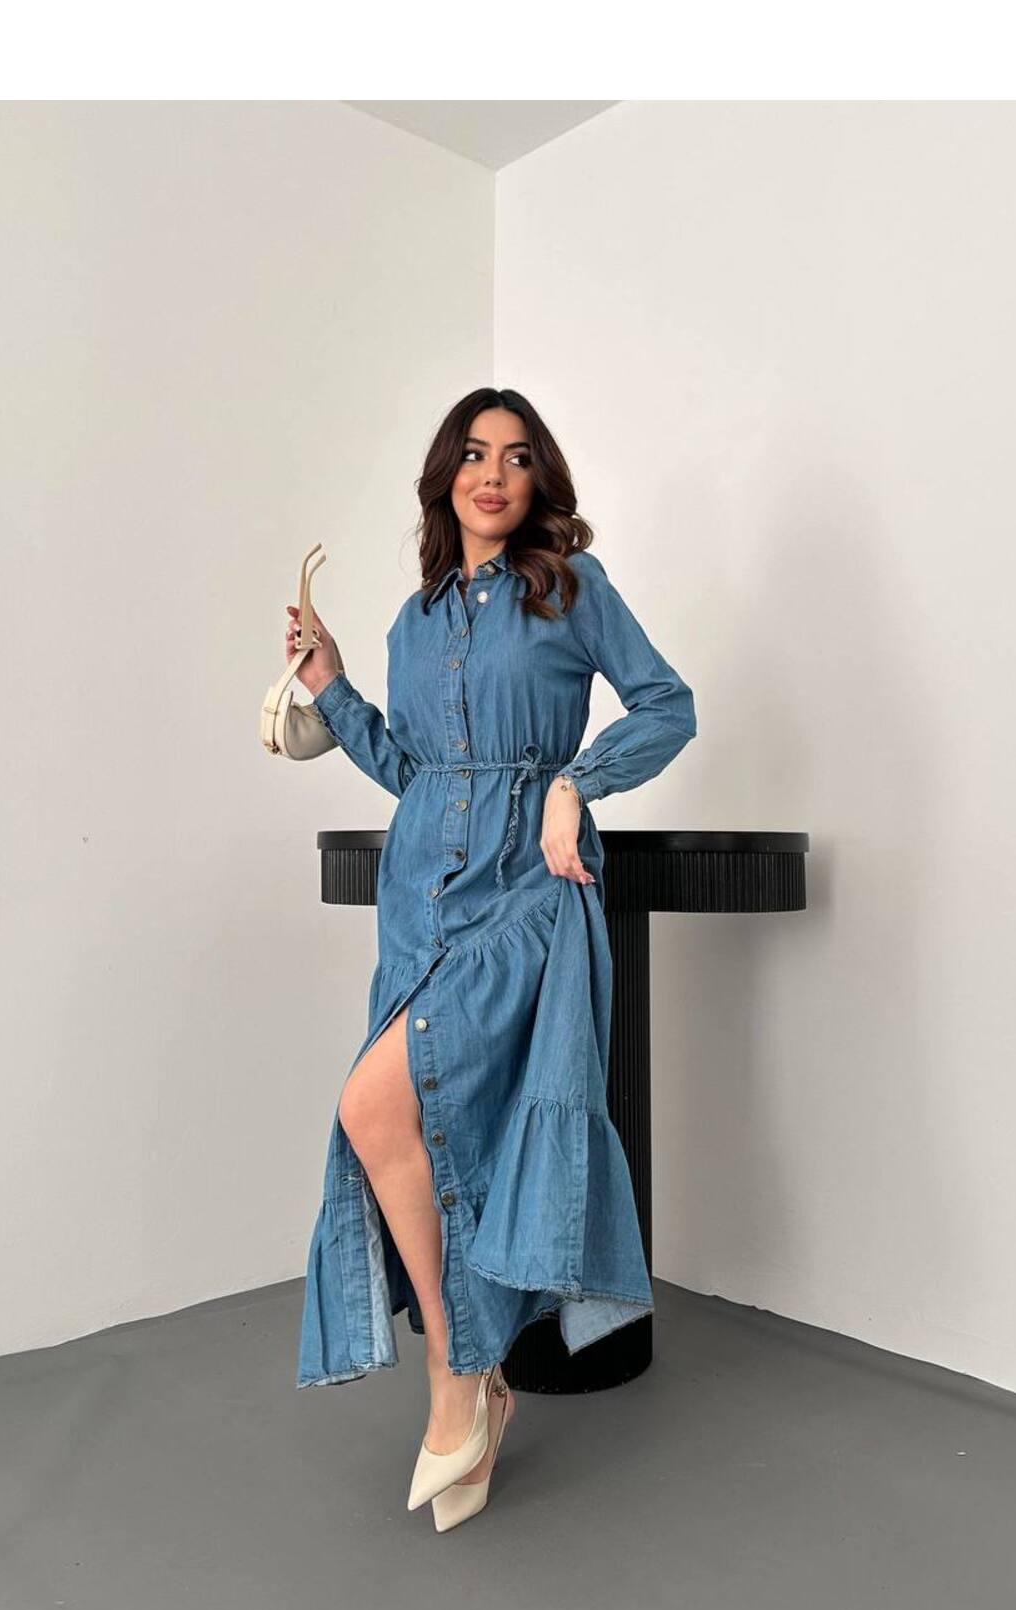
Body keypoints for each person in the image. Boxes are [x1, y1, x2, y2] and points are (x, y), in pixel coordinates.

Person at [286, 387, 696, 1531]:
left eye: (516, 458)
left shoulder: (570, 588)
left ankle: (456, 1374)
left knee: (383, 1104)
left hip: (525, 895)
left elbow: (668, 705)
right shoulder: (413, 621)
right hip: (419, 904)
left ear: (536, 481)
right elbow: (410, 769)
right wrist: (330, 687)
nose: (493, 474)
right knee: (403, 1122)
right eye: (473, 454)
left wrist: (577, 781)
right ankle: (469, 1370)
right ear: (445, 477)